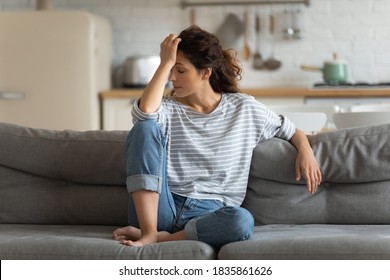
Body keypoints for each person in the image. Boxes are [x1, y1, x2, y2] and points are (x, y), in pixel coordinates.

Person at [112, 25, 322, 248]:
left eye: (180, 70)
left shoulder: (244, 109)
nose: (172, 77)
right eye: (170, 70)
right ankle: (149, 231)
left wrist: (306, 151)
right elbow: (144, 113)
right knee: (145, 127)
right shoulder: (167, 109)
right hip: (159, 209)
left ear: (205, 72)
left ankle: (159, 238)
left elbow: (289, 129)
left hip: (210, 214)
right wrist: (164, 63)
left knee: (241, 221)